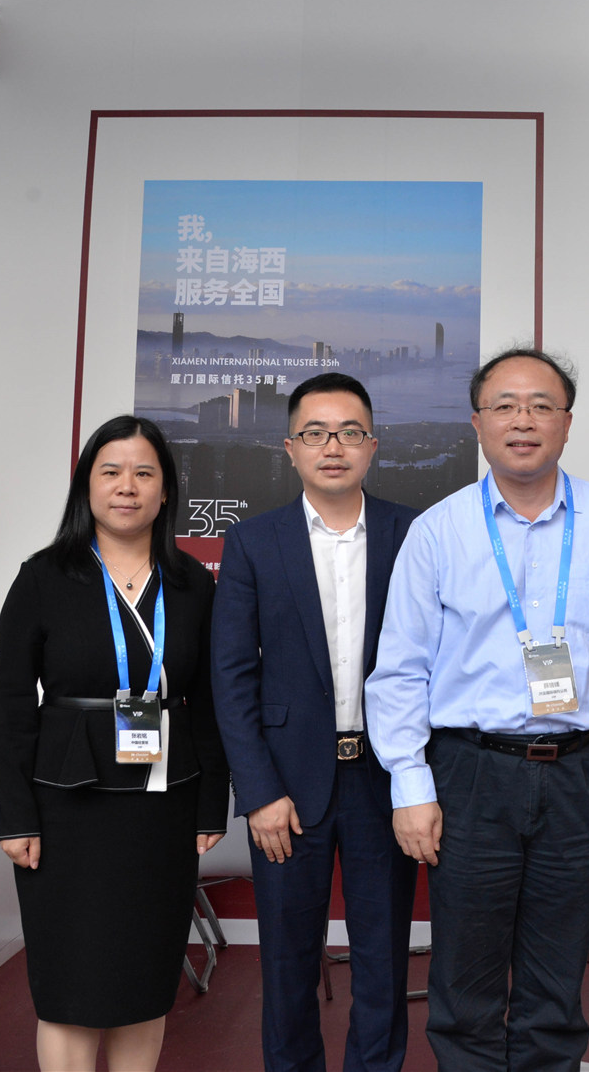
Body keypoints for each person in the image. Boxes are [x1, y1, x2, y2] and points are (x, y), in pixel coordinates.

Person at [365, 347, 589, 1072]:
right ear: (477, 422)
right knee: (465, 981)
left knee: (557, 978)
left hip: (582, 773)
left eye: (541, 406)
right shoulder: (439, 531)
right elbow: (400, 669)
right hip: (470, 772)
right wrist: (410, 783)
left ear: (567, 422)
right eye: (505, 406)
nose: (523, 421)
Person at [0, 415, 229, 1072]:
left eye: (144, 473)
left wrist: (212, 801)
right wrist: (17, 813)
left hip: (164, 805)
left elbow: (210, 700)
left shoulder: (192, 582)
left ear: (165, 489)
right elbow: (12, 704)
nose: (128, 486)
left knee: (145, 978)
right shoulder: (43, 576)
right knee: (71, 984)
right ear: (87, 485)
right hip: (66, 807)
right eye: (112, 471)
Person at [210, 373, 421, 1072]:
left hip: (383, 778)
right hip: (286, 786)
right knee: (287, 958)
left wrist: (420, 779)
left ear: (373, 445)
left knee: (383, 955)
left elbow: (436, 660)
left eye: (349, 432)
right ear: (290, 447)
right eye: (316, 433)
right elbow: (232, 678)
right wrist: (258, 791)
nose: (334, 447)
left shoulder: (411, 533)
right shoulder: (253, 542)